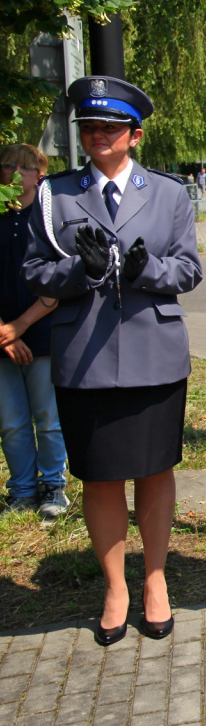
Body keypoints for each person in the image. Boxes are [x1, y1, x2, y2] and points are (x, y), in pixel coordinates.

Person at [24, 76, 202, 646]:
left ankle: (154, 580)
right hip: (85, 358)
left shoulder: (171, 194)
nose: (98, 136)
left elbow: (189, 270)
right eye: (89, 128)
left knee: (154, 470)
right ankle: (115, 587)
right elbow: (33, 271)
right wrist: (81, 271)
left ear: (135, 135)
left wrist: (144, 269)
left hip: (153, 354)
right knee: (100, 477)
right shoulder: (56, 195)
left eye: (110, 128)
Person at [0, 144, 66, 519]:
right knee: (10, 421)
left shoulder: (47, 220)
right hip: (3, 340)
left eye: (26, 167)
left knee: (48, 418)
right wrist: (4, 333)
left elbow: (57, 284)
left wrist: (19, 327)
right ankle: (22, 490)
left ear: (40, 174)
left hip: (41, 334)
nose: (17, 173)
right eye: (9, 166)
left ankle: (53, 486)